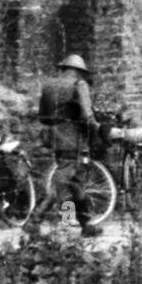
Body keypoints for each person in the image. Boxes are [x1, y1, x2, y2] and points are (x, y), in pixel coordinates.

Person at [33, 53, 103, 238]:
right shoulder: (79, 85)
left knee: (76, 182)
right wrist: (100, 131)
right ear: (80, 72)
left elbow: (43, 117)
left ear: (64, 69)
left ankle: (86, 224)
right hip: (75, 140)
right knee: (62, 182)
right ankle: (33, 221)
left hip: (56, 139)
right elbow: (87, 116)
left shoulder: (48, 86)